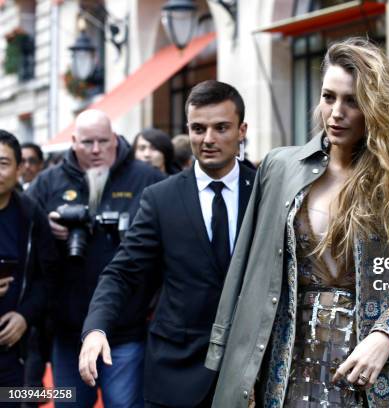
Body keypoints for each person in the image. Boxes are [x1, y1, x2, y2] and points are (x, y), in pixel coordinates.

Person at [205, 38, 389, 407]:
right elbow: (249, 275)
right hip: (289, 372)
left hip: (380, 377)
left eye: (352, 101)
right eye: (328, 96)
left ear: (376, 107)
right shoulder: (280, 169)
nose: (336, 112)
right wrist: (244, 372)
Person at [79, 80, 256, 407]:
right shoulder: (161, 197)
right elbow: (123, 271)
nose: (208, 139)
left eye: (221, 128)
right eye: (198, 128)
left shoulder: (264, 191)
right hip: (175, 371)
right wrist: (96, 329)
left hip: (249, 373)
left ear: (241, 130)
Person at [27, 109, 164, 407]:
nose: (96, 150)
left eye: (104, 141)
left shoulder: (146, 180)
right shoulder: (48, 183)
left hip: (127, 329)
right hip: (68, 332)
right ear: (73, 142)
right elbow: (21, 240)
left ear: (115, 139)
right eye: (88, 142)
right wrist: (45, 229)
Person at [0, 131, 56, 406]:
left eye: (2, 163)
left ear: (19, 168)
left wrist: (25, 316)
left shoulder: (31, 214)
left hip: (11, 347)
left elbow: (47, 279)